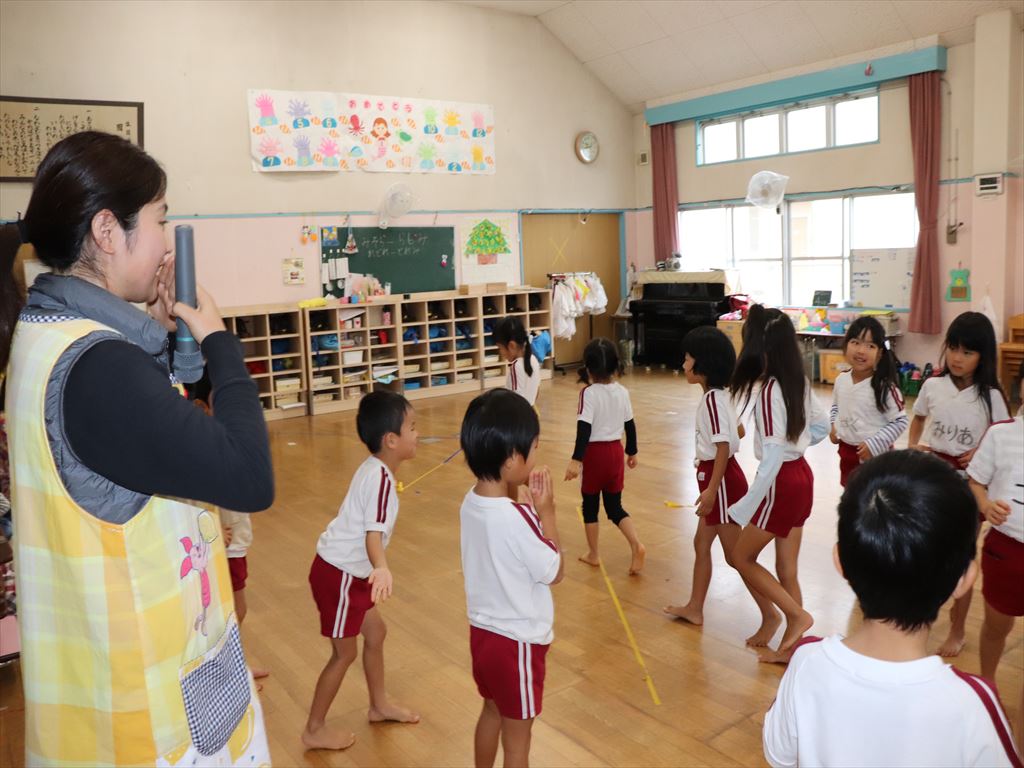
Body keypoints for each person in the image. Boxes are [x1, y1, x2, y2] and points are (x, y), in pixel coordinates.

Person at [3, 131, 274, 765]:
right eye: (160, 220)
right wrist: (220, 343)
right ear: (107, 230)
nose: (166, 242)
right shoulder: (98, 367)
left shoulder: (48, 329)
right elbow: (249, 475)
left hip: (108, 685)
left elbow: (135, 438)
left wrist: (158, 332)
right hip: (145, 716)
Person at [763, 451, 1022, 768]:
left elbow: (779, 756)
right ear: (965, 579)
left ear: (840, 562)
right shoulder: (973, 704)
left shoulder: (806, 661)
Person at [304, 391, 421, 751]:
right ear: (391, 440)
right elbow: (373, 536)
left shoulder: (375, 469)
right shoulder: (381, 480)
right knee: (344, 654)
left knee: (376, 632)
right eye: (412, 427)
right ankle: (314, 728)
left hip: (349, 573)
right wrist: (382, 567)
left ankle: (378, 705)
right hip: (339, 575)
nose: (417, 433)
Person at [459, 388, 563, 768]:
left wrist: (524, 502)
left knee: (490, 711)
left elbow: (503, 518)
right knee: (518, 741)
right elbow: (555, 570)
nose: (537, 454)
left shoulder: (470, 502)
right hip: (516, 644)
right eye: (533, 448)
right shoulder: (518, 519)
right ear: (510, 460)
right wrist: (547, 513)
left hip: (483, 637)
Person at [727, 305, 828, 659]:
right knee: (787, 570)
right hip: (802, 476)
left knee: (740, 556)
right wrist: (798, 444)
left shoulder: (770, 391)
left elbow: (770, 458)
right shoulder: (797, 382)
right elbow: (822, 427)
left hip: (781, 482)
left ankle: (796, 616)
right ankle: (791, 648)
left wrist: (745, 505)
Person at [908, 311, 1010, 657]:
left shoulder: (991, 396)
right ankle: (920, 614)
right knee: (930, 550)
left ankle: (957, 627)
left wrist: (980, 452)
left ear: (983, 356)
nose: (957, 357)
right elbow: (918, 418)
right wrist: (914, 447)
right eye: (953, 348)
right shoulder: (933, 385)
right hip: (934, 478)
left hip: (970, 485)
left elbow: (1001, 436)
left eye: (968, 352)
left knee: (964, 555)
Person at [664, 326, 773, 628]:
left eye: (688, 358)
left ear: (703, 364)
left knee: (736, 556)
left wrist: (712, 491)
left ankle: (771, 613)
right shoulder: (720, 397)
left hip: (720, 481)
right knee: (701, 544)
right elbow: (738, 431)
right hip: (719, 478)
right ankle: (695, 607)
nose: (683, 364)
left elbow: (724, 445)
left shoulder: (713, 400)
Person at [968, 361, 1024, 755]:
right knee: (995, 627)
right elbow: (976, 481)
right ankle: (987, 686)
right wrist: (986, 505)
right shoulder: (1002, 434)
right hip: (1006, 551)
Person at [564, 337, 646, 575]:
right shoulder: (622, 392)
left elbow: (584, 430)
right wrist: (632, 451)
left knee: (590, 507)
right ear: (614, 365)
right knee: (614, 507)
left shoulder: (588, 394)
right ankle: (636, 544)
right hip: (615, 453)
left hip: (595, 455)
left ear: (588, 368)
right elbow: (630, 425)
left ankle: (593, 554)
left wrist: (576, 460)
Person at [829, 316, 907, 486]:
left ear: (880, 353)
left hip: (876, 458)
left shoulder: (885, 387)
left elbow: (900, 421)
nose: (861, 350)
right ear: (846, 345)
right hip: (847, 452)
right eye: (855, 342)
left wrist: (874, 444)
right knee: (851, 493)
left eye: (870, 346)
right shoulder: (841, 380)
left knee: (874, 497)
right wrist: (834, 425)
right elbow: (836, 407)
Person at [493, 316, 540, 407]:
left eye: (500, 348)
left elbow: (516, 399)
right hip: (530, 410)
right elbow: (537, 390)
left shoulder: (515, 366)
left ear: (512, 346)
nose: (500, 352)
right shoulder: (533, 359)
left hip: (518, 413)